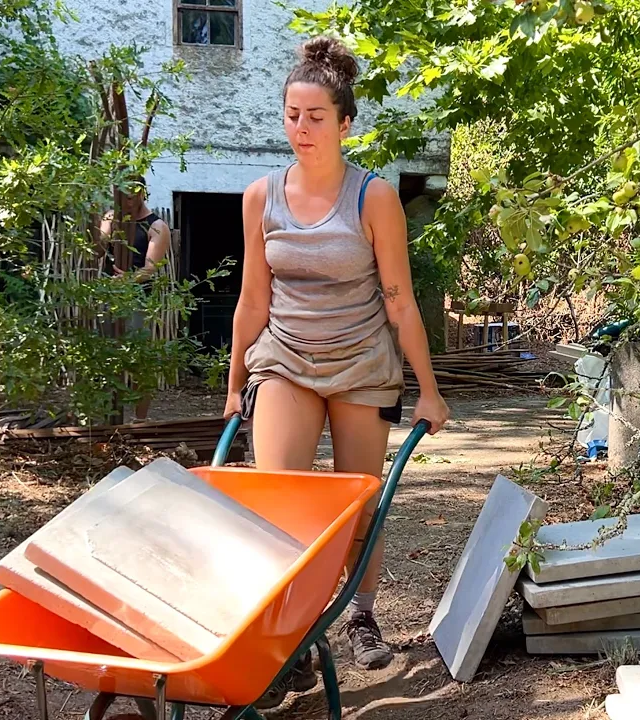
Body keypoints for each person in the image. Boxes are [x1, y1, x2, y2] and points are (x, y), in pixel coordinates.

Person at [222, 35, 450, 697]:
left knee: (357, 502)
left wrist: (429, 391)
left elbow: (400, 301)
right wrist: (235, 384)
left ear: (345, 124)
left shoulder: (372, 198)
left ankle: (362, 616)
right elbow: (252, 300)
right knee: (277, 503)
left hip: (361, 364)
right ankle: (289, 638)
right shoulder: (261, 197)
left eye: (316, 117)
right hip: (285, 360)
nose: (302, 128)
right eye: (292, 115)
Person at [99, 183, 172, 422]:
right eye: (122, 197)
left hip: (138, 299)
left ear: (141, 193)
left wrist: (128, 280)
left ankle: (140, 420)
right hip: (109, 297)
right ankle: (108, 418)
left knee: (139, 360)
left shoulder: (156, 226)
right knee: (106, 355)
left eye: (130, 197)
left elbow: (149, 269)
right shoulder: (112, 217)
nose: (126, 202)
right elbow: (98, 247)